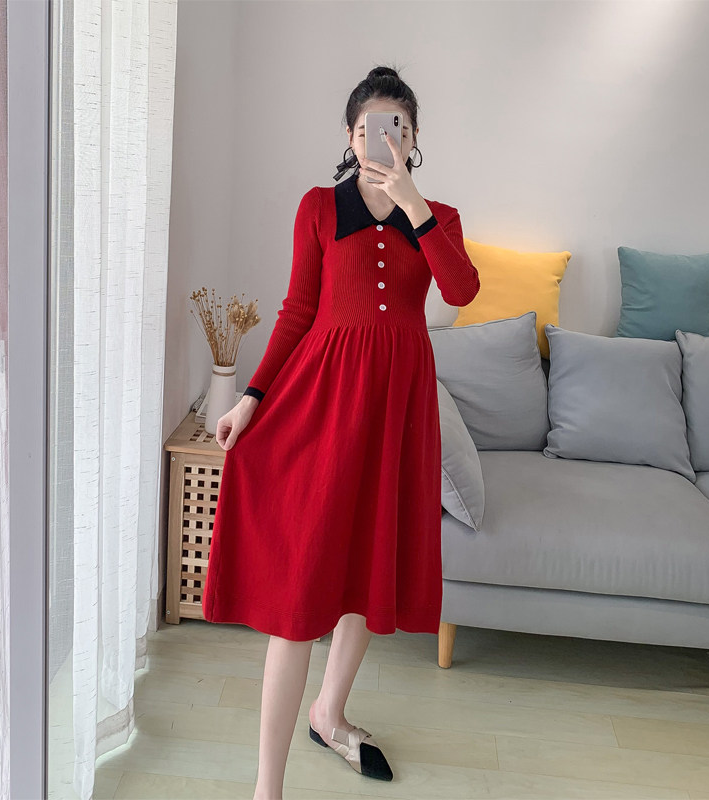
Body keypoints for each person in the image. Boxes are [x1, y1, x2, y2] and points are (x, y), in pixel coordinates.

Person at [201, 65, 480, 800]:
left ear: (413, 138)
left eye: (397, 128)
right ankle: (268, 786)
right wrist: (251, 399)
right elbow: (298, 310)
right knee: (302, 590)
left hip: (397, 409)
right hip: (323, 402)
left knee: (366, 564)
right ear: (350, 136)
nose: (381, 140)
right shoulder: (319, 209)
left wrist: (413, 204)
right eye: (368, 128)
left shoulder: (439, 217)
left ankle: (329, 715)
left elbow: (461, 291)